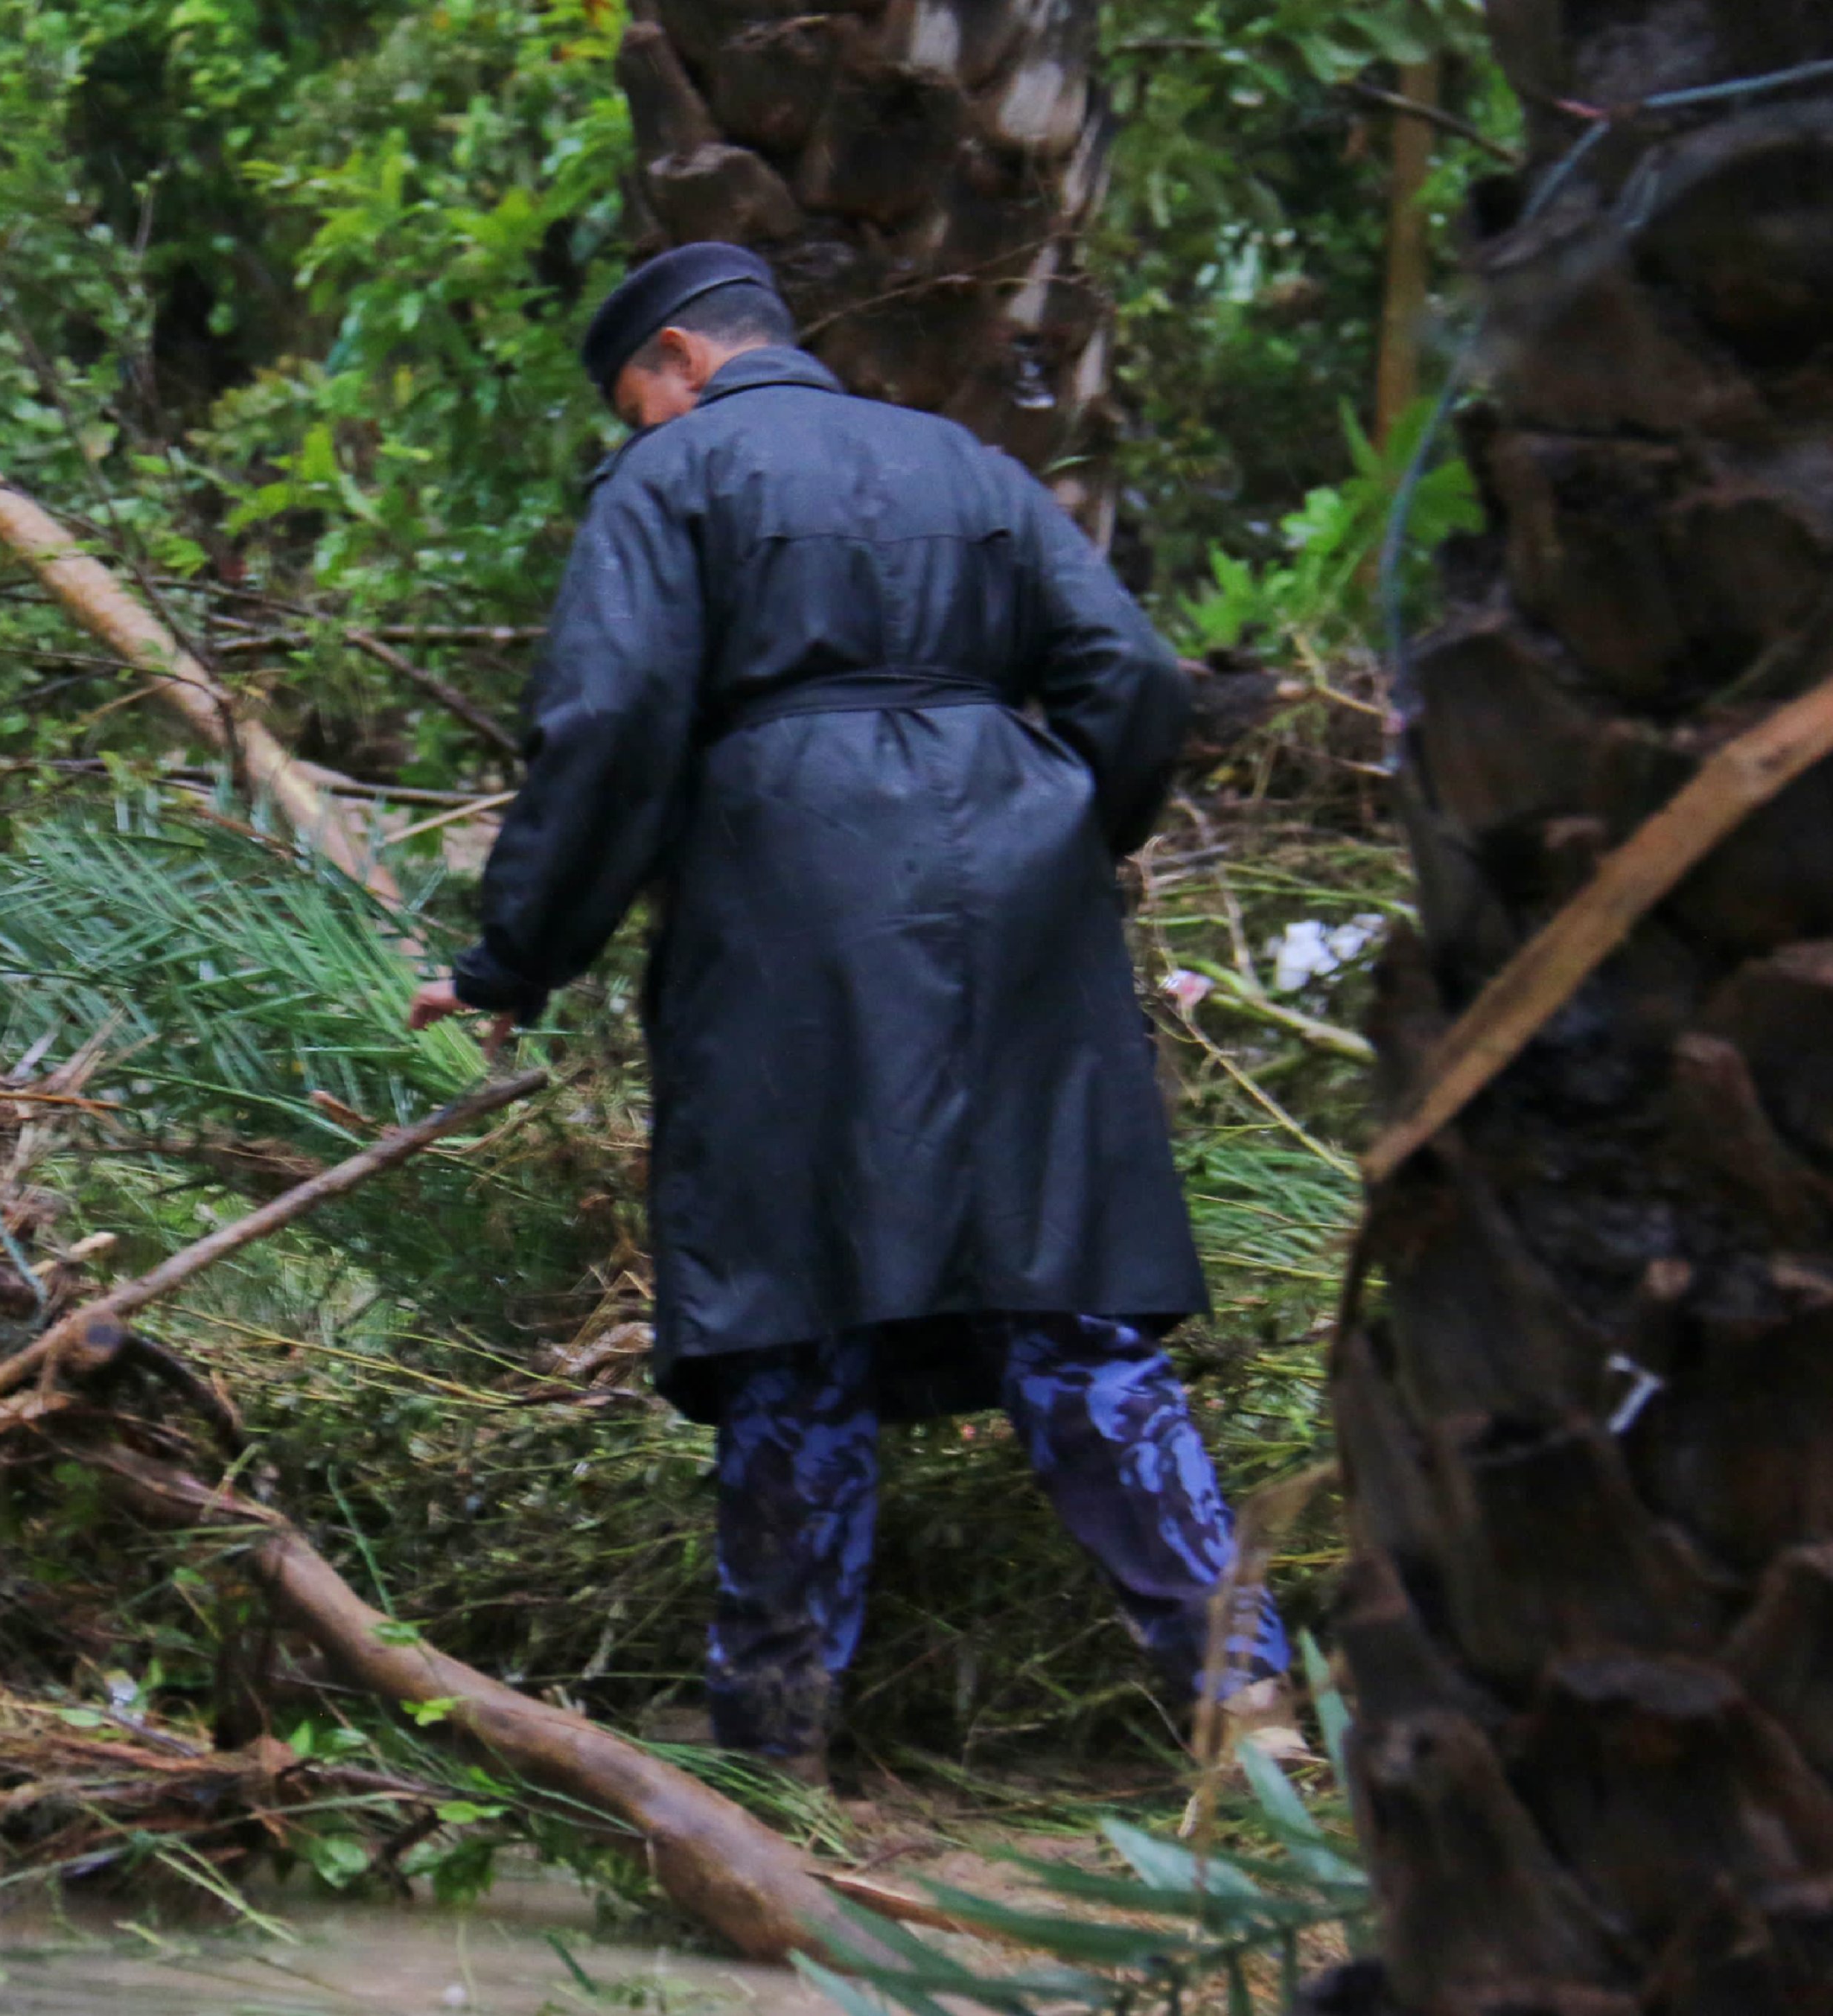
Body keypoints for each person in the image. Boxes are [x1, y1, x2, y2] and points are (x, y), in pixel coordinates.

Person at [408, 241, 1291, 1779]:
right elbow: (1131, 678)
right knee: (1069, 1313)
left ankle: (774, 1751)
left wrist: (512, 958)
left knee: (792, 1314)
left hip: (785, 914)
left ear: (679, 363)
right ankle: (1253, 1707)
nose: (638, 428)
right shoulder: (964, 462)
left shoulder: (672, 480)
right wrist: (1062, 832)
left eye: (635, 400)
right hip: (1019, 912)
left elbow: (607, 720)